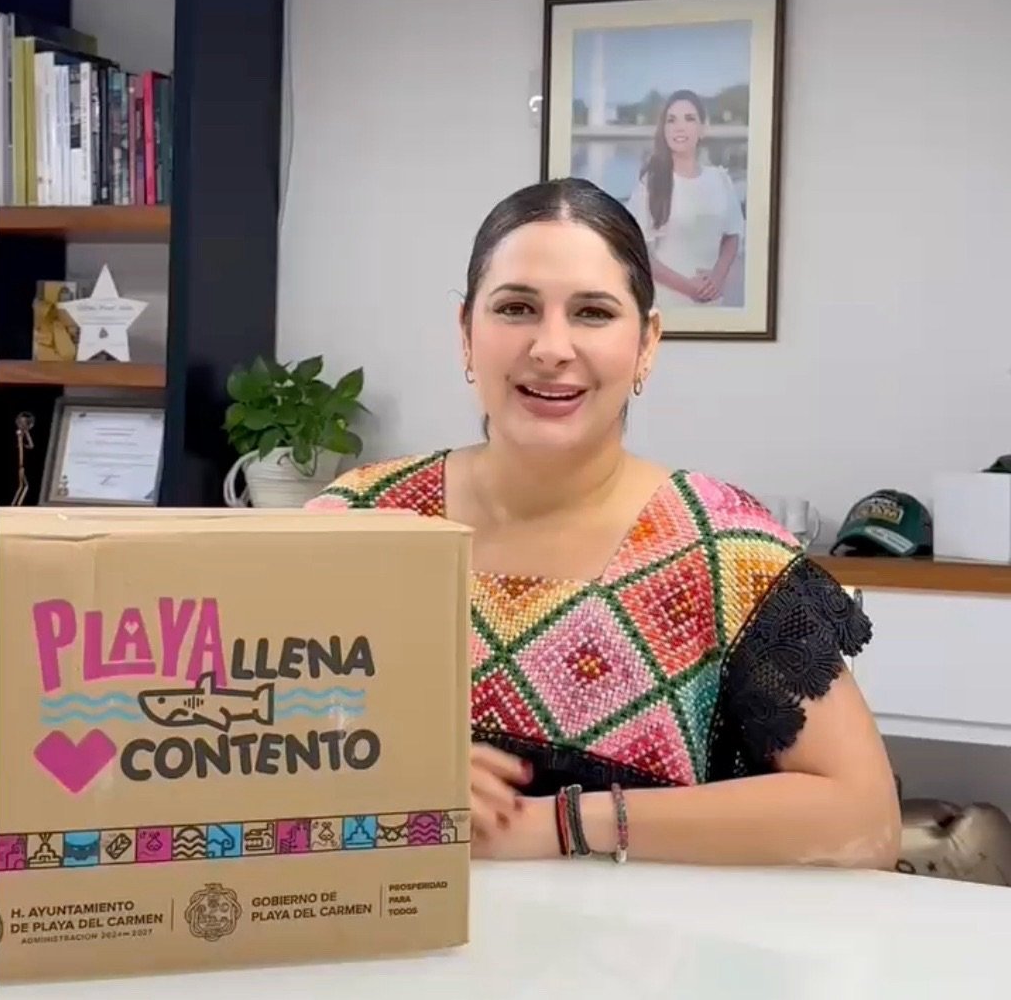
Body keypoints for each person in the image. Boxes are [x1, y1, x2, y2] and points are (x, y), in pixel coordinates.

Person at [309, 178, 900, 869]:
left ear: (647, 343)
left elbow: (865, 818)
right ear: (466, 332)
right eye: (516, 308)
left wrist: (559, 823)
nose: (551, 346)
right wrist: (386, 762)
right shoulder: (358, 524)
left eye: (593, 312)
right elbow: (231, 743)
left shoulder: (722, 551)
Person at [627, 90, 744, 307]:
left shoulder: (720, 179)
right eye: (672, 120)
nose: (679, 127)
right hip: (668, 302)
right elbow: (637, 251)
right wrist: (689, 287)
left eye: (689, 119)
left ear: (702, 129)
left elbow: (732, 236)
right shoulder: (651, 183)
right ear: (664, 130)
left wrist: (718, 277)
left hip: (712, 300)